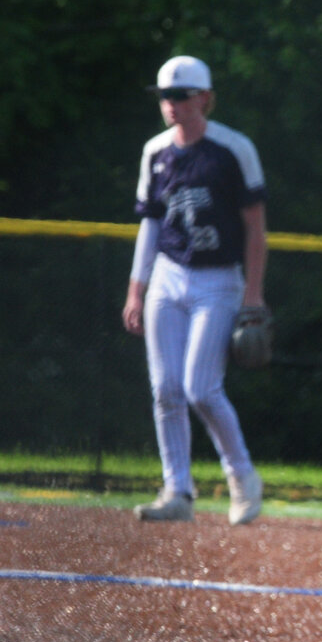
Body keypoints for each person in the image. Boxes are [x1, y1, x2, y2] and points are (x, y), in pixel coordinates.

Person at [122, 55, 267, 527]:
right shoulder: (154, 151)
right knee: (165, 388)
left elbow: (255, 229)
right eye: (165, 97)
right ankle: (177, 490)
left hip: (218, 278)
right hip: (168, 274)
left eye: (181, 96)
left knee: (201, 388)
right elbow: (150, 224)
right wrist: (136, 290)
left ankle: (242, 477)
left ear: (205, 98)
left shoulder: (232, 148)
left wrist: (254, 293)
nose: (172, 105)